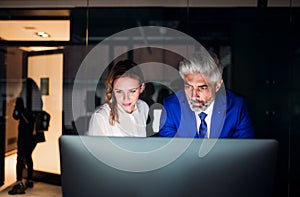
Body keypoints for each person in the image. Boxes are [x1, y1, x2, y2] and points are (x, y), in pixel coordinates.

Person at [158, 51, 254, 138]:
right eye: (189, 86)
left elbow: (245, 150)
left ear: (217, 85)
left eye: (202, 88)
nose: (193, 95)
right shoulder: (171, 106)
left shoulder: (237, 107)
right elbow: (169, 151)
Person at [88, 59, 149, 137]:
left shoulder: (143, 107)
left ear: (141, 87)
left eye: (132, 91)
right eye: (119, 91)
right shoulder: (101, 117)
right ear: (112, 89)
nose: (126, 98)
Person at [8, 97, 36, 195]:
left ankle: (19, 181)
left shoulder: (22, 112)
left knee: (20, 159)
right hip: (32, 138)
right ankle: (30, 179)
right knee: (28, 157)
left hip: (24, 138)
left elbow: (15, 116)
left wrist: (18, 110)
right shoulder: (30, 111)